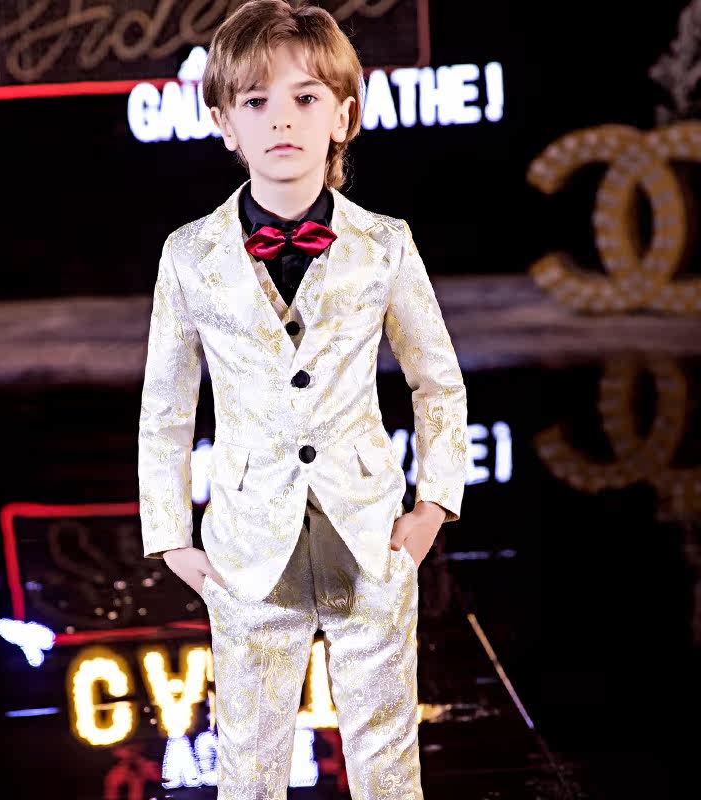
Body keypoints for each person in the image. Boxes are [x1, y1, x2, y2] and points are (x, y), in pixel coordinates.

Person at [138, 1, 468, 795]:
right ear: (224, 123)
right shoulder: (189, 256)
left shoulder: (384, 244)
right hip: (249, 542)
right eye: (256, 101)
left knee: (387, 754)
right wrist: (172, 541)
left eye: (306, 97)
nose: (281, 120)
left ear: (343, 117)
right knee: (249, 756)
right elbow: (166, 408)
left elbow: (437, 381)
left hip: (368, 532)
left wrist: (431, 510)